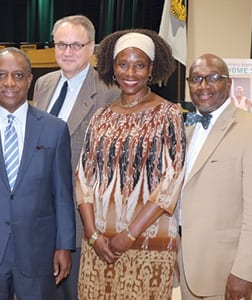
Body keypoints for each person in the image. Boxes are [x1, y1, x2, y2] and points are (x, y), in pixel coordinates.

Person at [0, 47, 76, 299]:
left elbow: (63, 194)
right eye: (1, 75)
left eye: (18, 76)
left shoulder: (55, 129)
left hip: (38, 250)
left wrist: (64, 245)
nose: (9, 83)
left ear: (29, 80)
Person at [75, 28, 186, 299]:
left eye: (140, 65)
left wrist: (129, 234)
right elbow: (83, 178)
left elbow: (172, 180)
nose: (130, 73)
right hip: (99, 244)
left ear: (151, 69)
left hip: (149, 240)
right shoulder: (101, 116)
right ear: (112, 68)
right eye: (123, 64)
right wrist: (91, 234)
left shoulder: (168, 113)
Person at [179, 53, 252, 300]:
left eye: (213, 77)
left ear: (229, 83)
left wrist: (245, 273)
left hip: (232, 274)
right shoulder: (188, 129)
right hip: (193, 270)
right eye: (196, 79)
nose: (203, 86)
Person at [32, 14, 120, 299]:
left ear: (91, 48)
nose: (67, 52)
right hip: (38, 213)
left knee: (74, 292)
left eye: (76, 45)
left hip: (80, 215)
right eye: (61, 45)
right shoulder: (44, 84)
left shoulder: (109, 92)